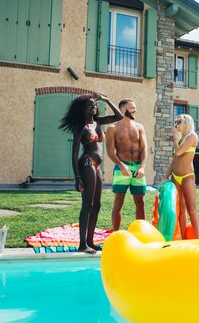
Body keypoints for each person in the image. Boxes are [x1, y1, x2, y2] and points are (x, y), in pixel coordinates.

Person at [59, 93, 123, 254]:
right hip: (87, 164)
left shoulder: (98, 122)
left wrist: (107, 100)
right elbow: (74, 154)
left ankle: (90, 241)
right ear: (82, 109)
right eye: (90, 105)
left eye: (95, 105)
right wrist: (77, 177)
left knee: (97, 204)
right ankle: (82, 244)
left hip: (96, 167)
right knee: (87, 204)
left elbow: (119, 116)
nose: (94, 107)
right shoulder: (80, 127)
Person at [105, 99, 148, 231]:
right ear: (123, 110)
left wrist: (142, 167)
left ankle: (141, 233)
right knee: (118, 202)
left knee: (140, 203)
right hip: (121, 168)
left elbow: (144, 148)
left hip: (137, 168)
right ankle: (116, 233)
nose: (135, 110)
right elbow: (110, 151)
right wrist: (121, 166)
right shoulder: (112, 128)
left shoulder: (139, 127)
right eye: (132, 108)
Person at [163, 114, 199, 239]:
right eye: (175, 122)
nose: (175, 125)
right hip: (175, 176)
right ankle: (184, 238)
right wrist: (165, 177)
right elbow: (174, 160)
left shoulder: (192, 136)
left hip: (187, 176)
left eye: (178, 122)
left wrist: (174, 138)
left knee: (191, 209)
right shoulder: (180, 139)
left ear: (186, 123)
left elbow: (179, 151)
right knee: (180, 209)